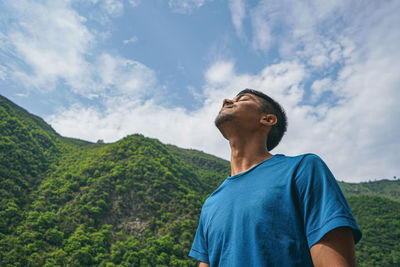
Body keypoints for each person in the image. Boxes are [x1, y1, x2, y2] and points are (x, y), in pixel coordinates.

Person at [189, 89, 362, 266]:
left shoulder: (303, 169)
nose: (226, 101)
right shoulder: (211, 203)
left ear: (268, 119)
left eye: (243, 99)